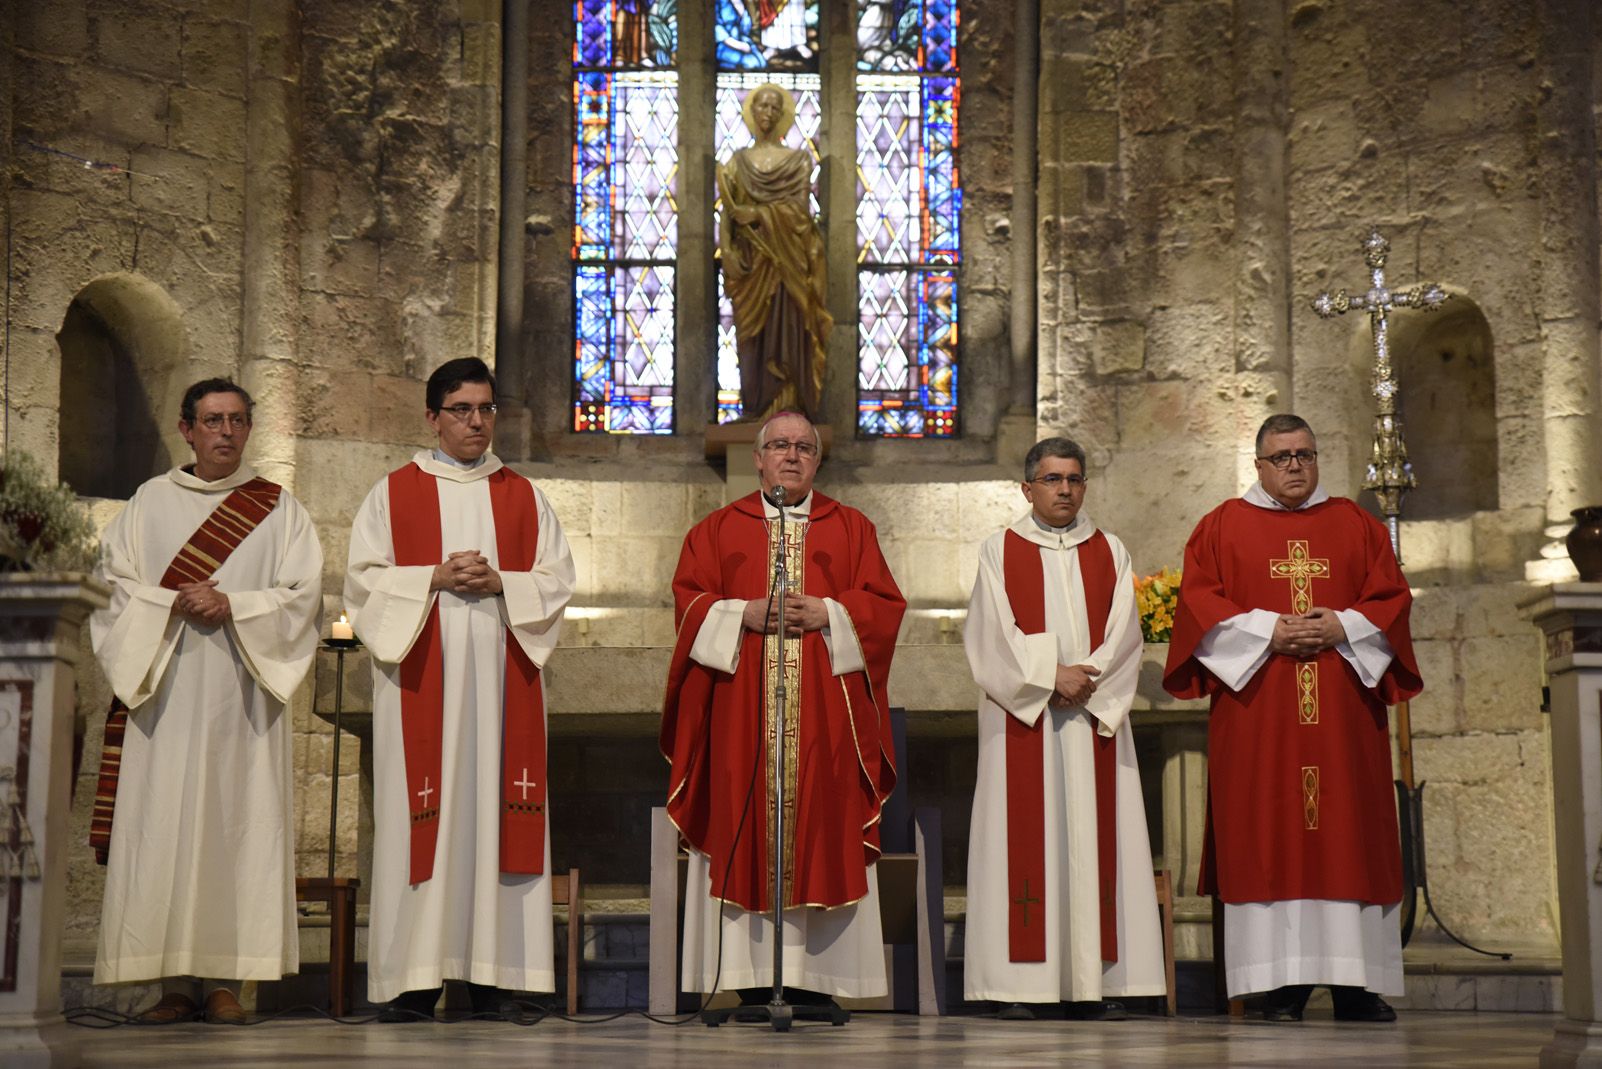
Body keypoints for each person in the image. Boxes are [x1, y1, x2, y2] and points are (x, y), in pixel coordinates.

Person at [1163, 413, 1422, 1023]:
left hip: (1342, 715)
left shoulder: (1356, 524)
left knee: (1348, 832)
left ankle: (1357, 985)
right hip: (1260, 715)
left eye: (1305, 454)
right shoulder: (1221, 527)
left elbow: (1390, 599)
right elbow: (1199, 605)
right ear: (1258, 464)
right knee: (1267, 832)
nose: (1295, 466)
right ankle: (1278, 985)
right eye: (1281, 457)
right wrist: (1268, 630)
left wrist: (1343, 625)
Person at [345, 358, 575, 1020]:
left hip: (505, 695)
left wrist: (505, 580)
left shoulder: (524, 495)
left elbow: (557, 578)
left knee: (497, 821)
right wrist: (435, 577)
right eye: (462, 410)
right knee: (425, 823)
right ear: (432, 417)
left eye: (486, 409)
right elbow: (361, 583)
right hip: (422, 685)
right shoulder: (393, 493)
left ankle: (497, 978)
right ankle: (416, 979)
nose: (477, 422)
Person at [89, 378, 322, 1024]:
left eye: (238, 420)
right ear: (186, 429)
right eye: (213, 420)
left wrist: (235, 604)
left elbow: (303, 596)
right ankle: (171, 984)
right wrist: (174, 601)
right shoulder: (148, 503)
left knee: (234, 830)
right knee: (164, 830)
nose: (226, 432)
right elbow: (110, 588)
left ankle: (227, 984)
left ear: (249, 430)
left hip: (242, 700)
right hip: (164, 697)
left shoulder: (278, 510)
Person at [661, 411, 903, 1008]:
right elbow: (688, 602)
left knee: (825, 826)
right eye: (778, 446)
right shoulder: (716, 530)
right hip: (741, 720)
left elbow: (885, 607)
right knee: (742, 829)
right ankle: (746, 981)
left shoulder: (852, 529)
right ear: (758, 459)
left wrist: (832, 614)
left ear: (817, 461)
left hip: (828, 723)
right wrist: (738, 614)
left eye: (803, 447)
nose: (790, 456)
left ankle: (820, 982)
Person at [962, 438, 1167, 1020]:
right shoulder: (999, 550)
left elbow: (1126, 637)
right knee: (1025, 844)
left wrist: (1085, 679)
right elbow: (988, 637)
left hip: (1091, 719)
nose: (1065, 490)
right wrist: (1050, 676)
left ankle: (1092, 984)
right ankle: (1019, 986)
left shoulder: (1111, 550)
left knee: (1094, 843)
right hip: (1023, 722)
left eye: (1074, 480)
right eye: (1052, 480)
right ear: (1027, 488)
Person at [718, 84, 831, 424]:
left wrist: (758, 215)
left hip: (787, 262)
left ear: (782, 116)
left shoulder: (797, 161)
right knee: (752, 338)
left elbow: (799, 211)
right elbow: (727, 213)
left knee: (790, 332)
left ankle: (789, 408)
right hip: (752, 265)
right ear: (751, 112)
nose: (766, 113)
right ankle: (754, 409)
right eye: (761, 106)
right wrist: (726, 251)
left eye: (773, 108)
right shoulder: (737, 162)